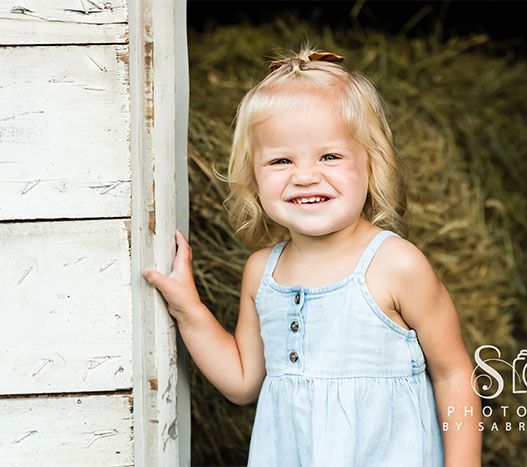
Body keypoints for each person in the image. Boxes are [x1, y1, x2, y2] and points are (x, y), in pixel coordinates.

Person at [143, 44, 482, 467]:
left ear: (372, 165)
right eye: (281, 160)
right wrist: (188, 307)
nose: (305, 176)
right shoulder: (262, 272)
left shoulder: (396, 264)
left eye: (330, 156)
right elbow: (243, 382)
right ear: (252, 177)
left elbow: (453, 375)